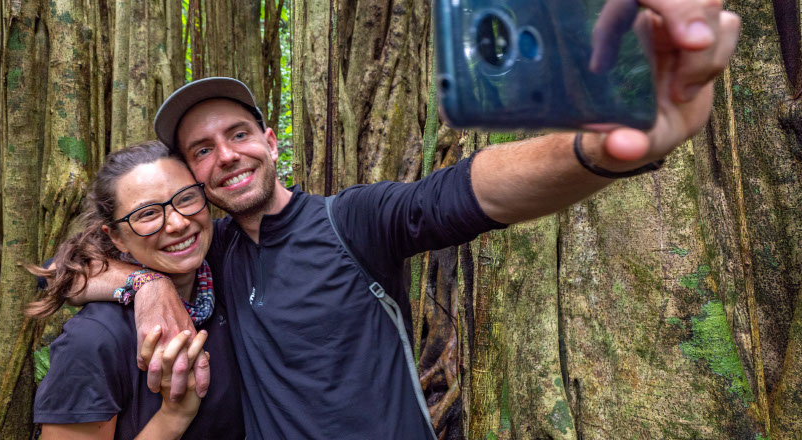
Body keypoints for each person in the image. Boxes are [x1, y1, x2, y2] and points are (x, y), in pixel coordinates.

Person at [72, 1, 741, 438]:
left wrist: (597, 151)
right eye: (202, 150)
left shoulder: (351, 222)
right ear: (195, 179)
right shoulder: (208, 251)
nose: (226, 156)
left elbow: (464, 193)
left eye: (239, 134)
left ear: (271, 143)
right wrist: (146, 286)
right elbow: (68, 273)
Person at [29, 141, 244, 439]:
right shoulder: (92, 340)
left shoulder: (227, 265)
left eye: (186, 198)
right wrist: (174, 415)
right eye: (147, 214)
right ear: (115, 237)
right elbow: (53, 272)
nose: (178, 223)